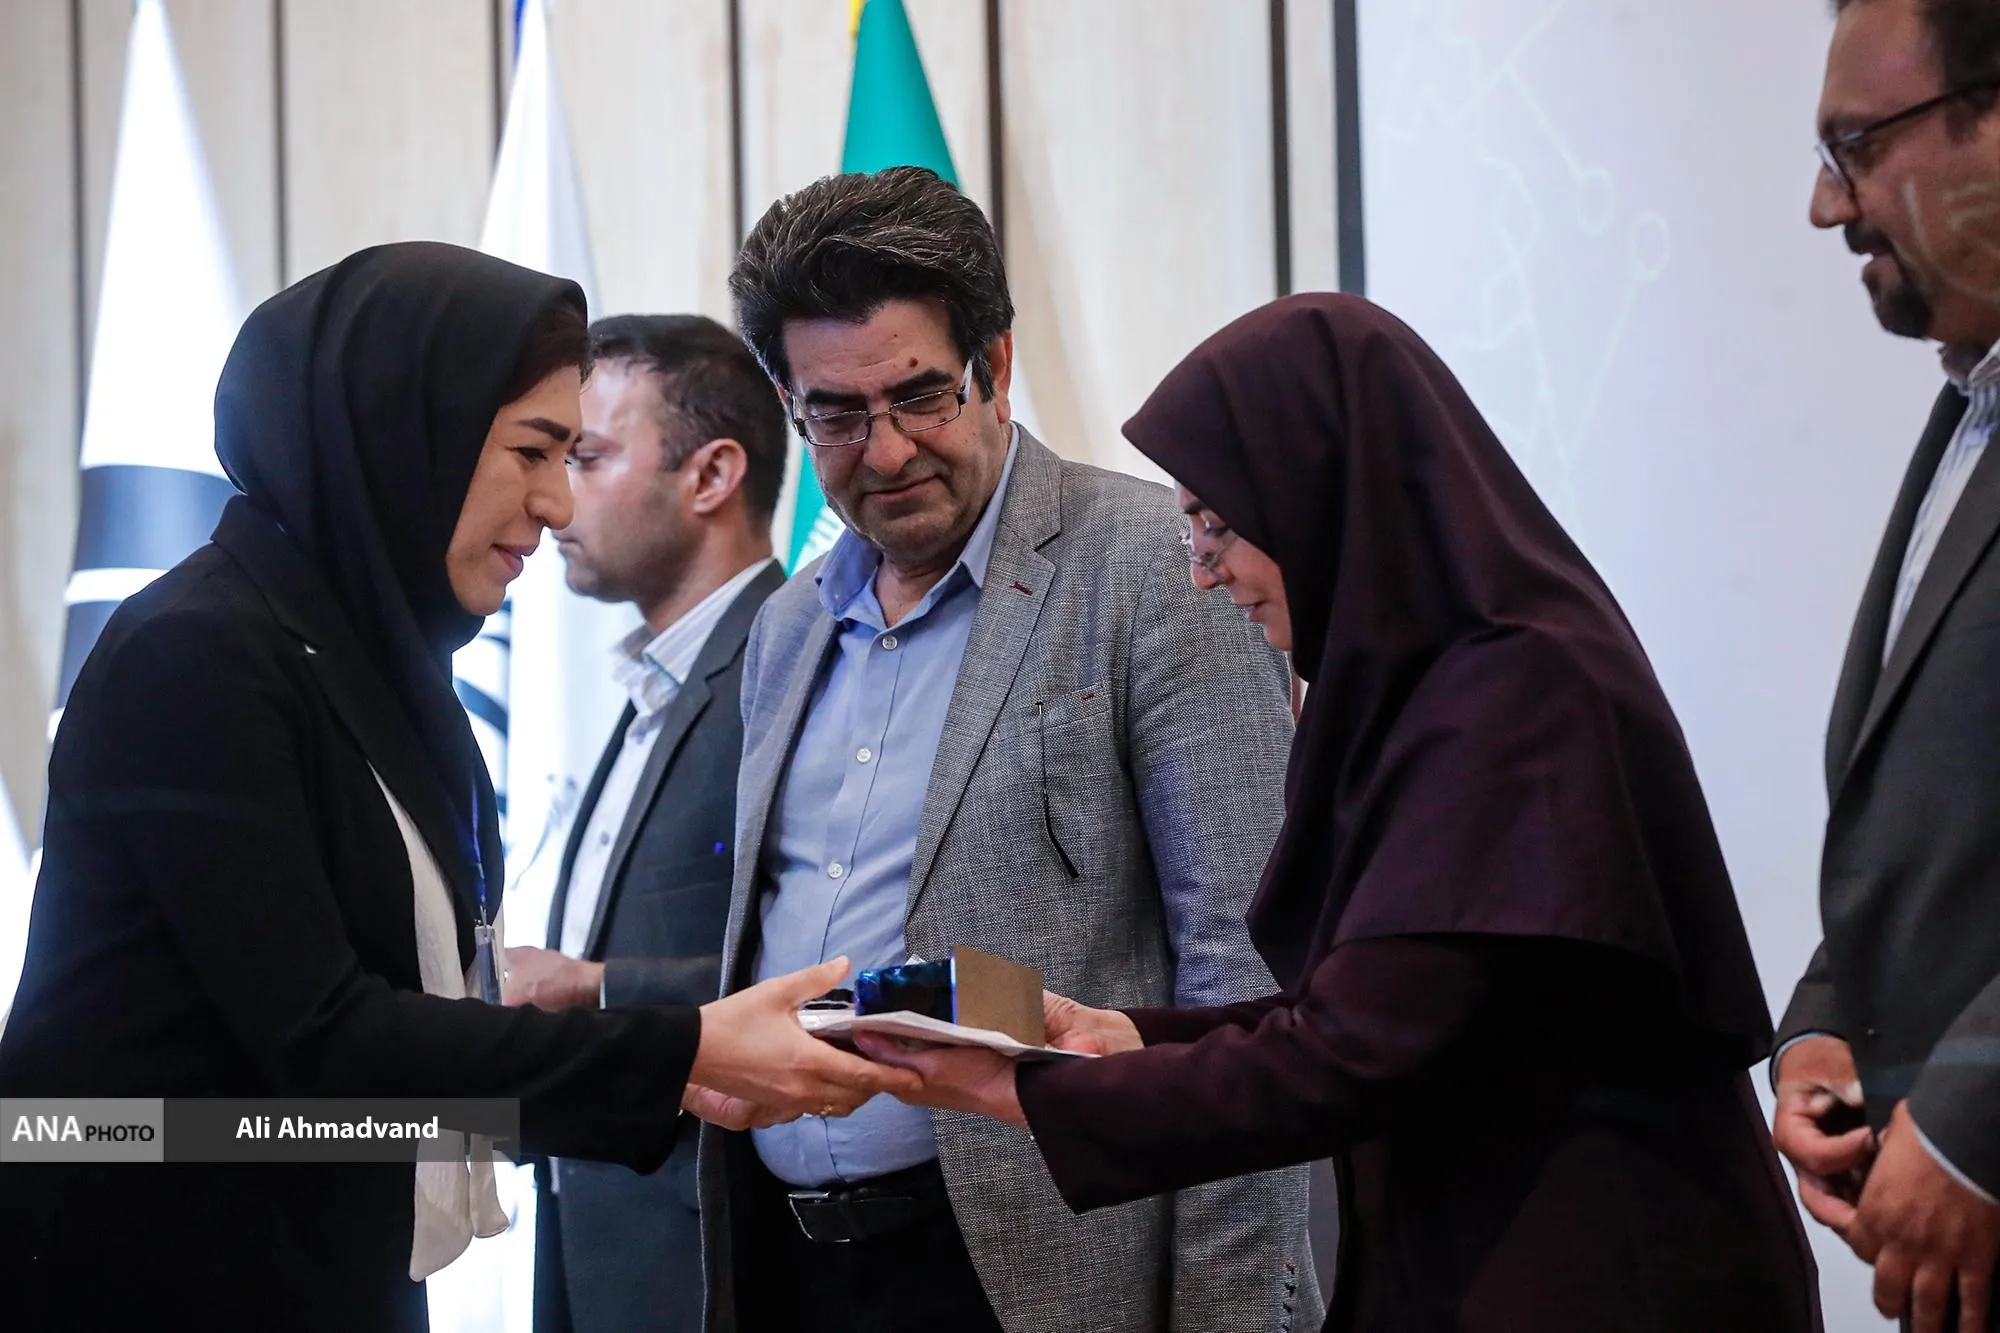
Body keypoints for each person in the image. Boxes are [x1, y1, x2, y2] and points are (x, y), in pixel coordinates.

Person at [863, 293, 1825, 1332]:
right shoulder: (1424, 689)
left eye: (1218, 525)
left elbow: (1356, 1049)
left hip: (1604, 1268)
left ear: (1320, 490)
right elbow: (1360, 1002)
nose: (1202, 570)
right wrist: (1127, 1038)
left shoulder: (1518, 695)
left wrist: (1025, 1092)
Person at [0, 243, 914, 1333]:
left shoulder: (363, 667)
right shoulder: (198, 654)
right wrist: (682, 1047)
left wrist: (666, 1070)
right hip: (154, 1270)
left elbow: (392, 1058)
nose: (553, 502)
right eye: (532, 450)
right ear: (402, 437)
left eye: (573, 455)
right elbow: (325, 1045)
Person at [697, 167, 1319, 1333]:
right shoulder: (785, 627)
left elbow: (1244, 986)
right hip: (789, 1266)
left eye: (919, 398)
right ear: (787, 403)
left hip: (1046, 1276)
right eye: (836, 415)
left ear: (995, 365)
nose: (885, 452)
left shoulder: (1155, 570)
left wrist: (1230, 1314)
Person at [1774, 3, 2000, 1330]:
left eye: (1854, 146)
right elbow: (1943, 823)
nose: (1825, 205)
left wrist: (1973, 1115)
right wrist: (1827, 1019)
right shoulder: (1967, 406)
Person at [500, 313, 787, 1333]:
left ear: (710, 476)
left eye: (584, 456)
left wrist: (589, 985)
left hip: (704, 1250)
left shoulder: (790, 669)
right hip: (594, 1232)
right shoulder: (656, 677)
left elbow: (828, 964)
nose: (550, 497)